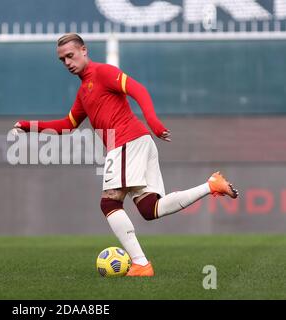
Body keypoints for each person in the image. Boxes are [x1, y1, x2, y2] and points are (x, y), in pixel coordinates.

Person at [13, 33, 238, 277]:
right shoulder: (83, 92)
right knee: (150, 209)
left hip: (126, 141)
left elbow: (137, 89)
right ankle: (211, 185)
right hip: (138, 142)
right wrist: (27, 125)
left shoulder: (103, 72)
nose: (67, 62)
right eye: (62, 59)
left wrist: (153, 121)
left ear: (84, 51)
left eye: (70, 55)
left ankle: (141, 263)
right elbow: (67, 124)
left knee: (109, 202)